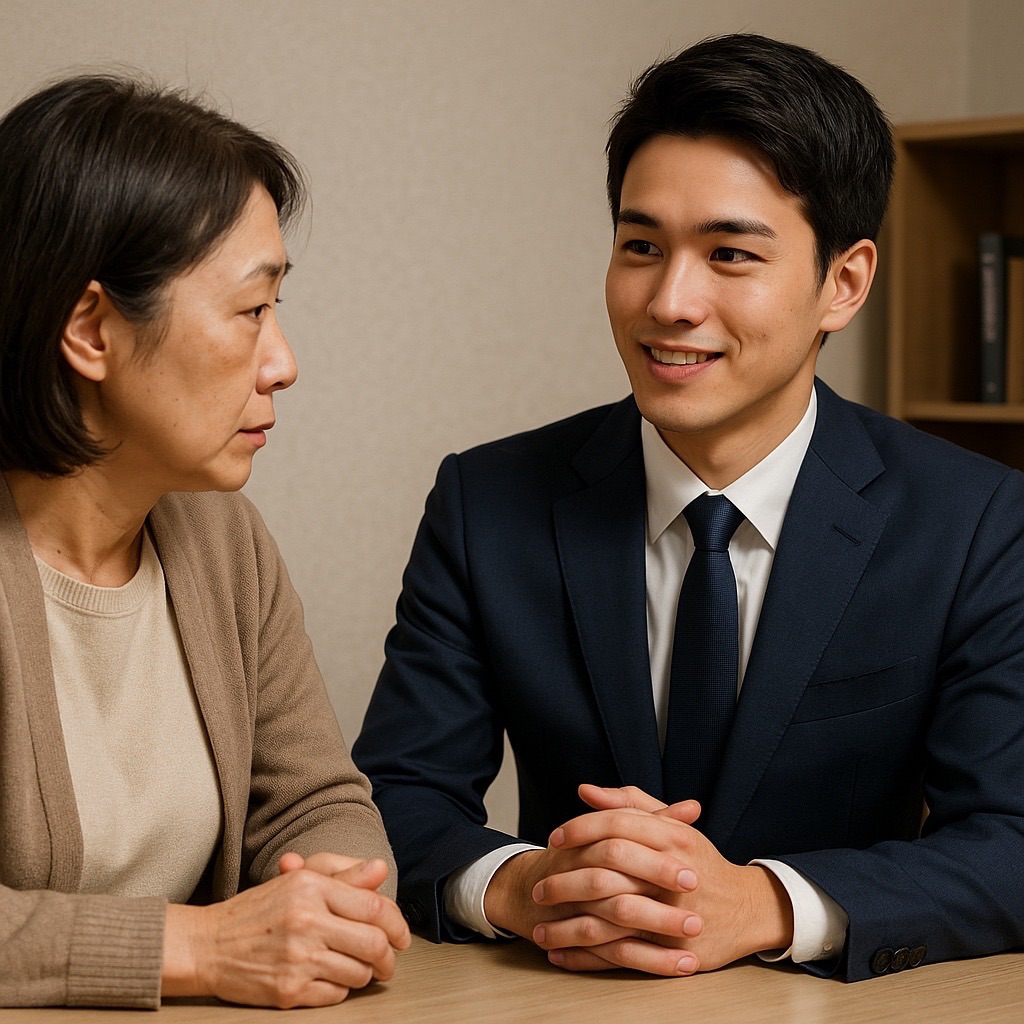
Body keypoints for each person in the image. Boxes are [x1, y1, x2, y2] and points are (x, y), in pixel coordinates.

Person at [353, 33, 1024, 982]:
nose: (670, 300)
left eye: (730, 254)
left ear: (845, 282)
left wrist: (764, 903)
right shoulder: (488, 499)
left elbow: (1011, 840)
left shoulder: (976, 520)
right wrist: (526, 884)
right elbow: (394, 796)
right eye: (640, 246)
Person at [0, 73, 409, 1010]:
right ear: (91, 329)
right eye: (250, 309)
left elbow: (316, 801)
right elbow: (208, 945)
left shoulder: (222, 538)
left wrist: (336, 902)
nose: (285, 362)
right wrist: (192, 948)